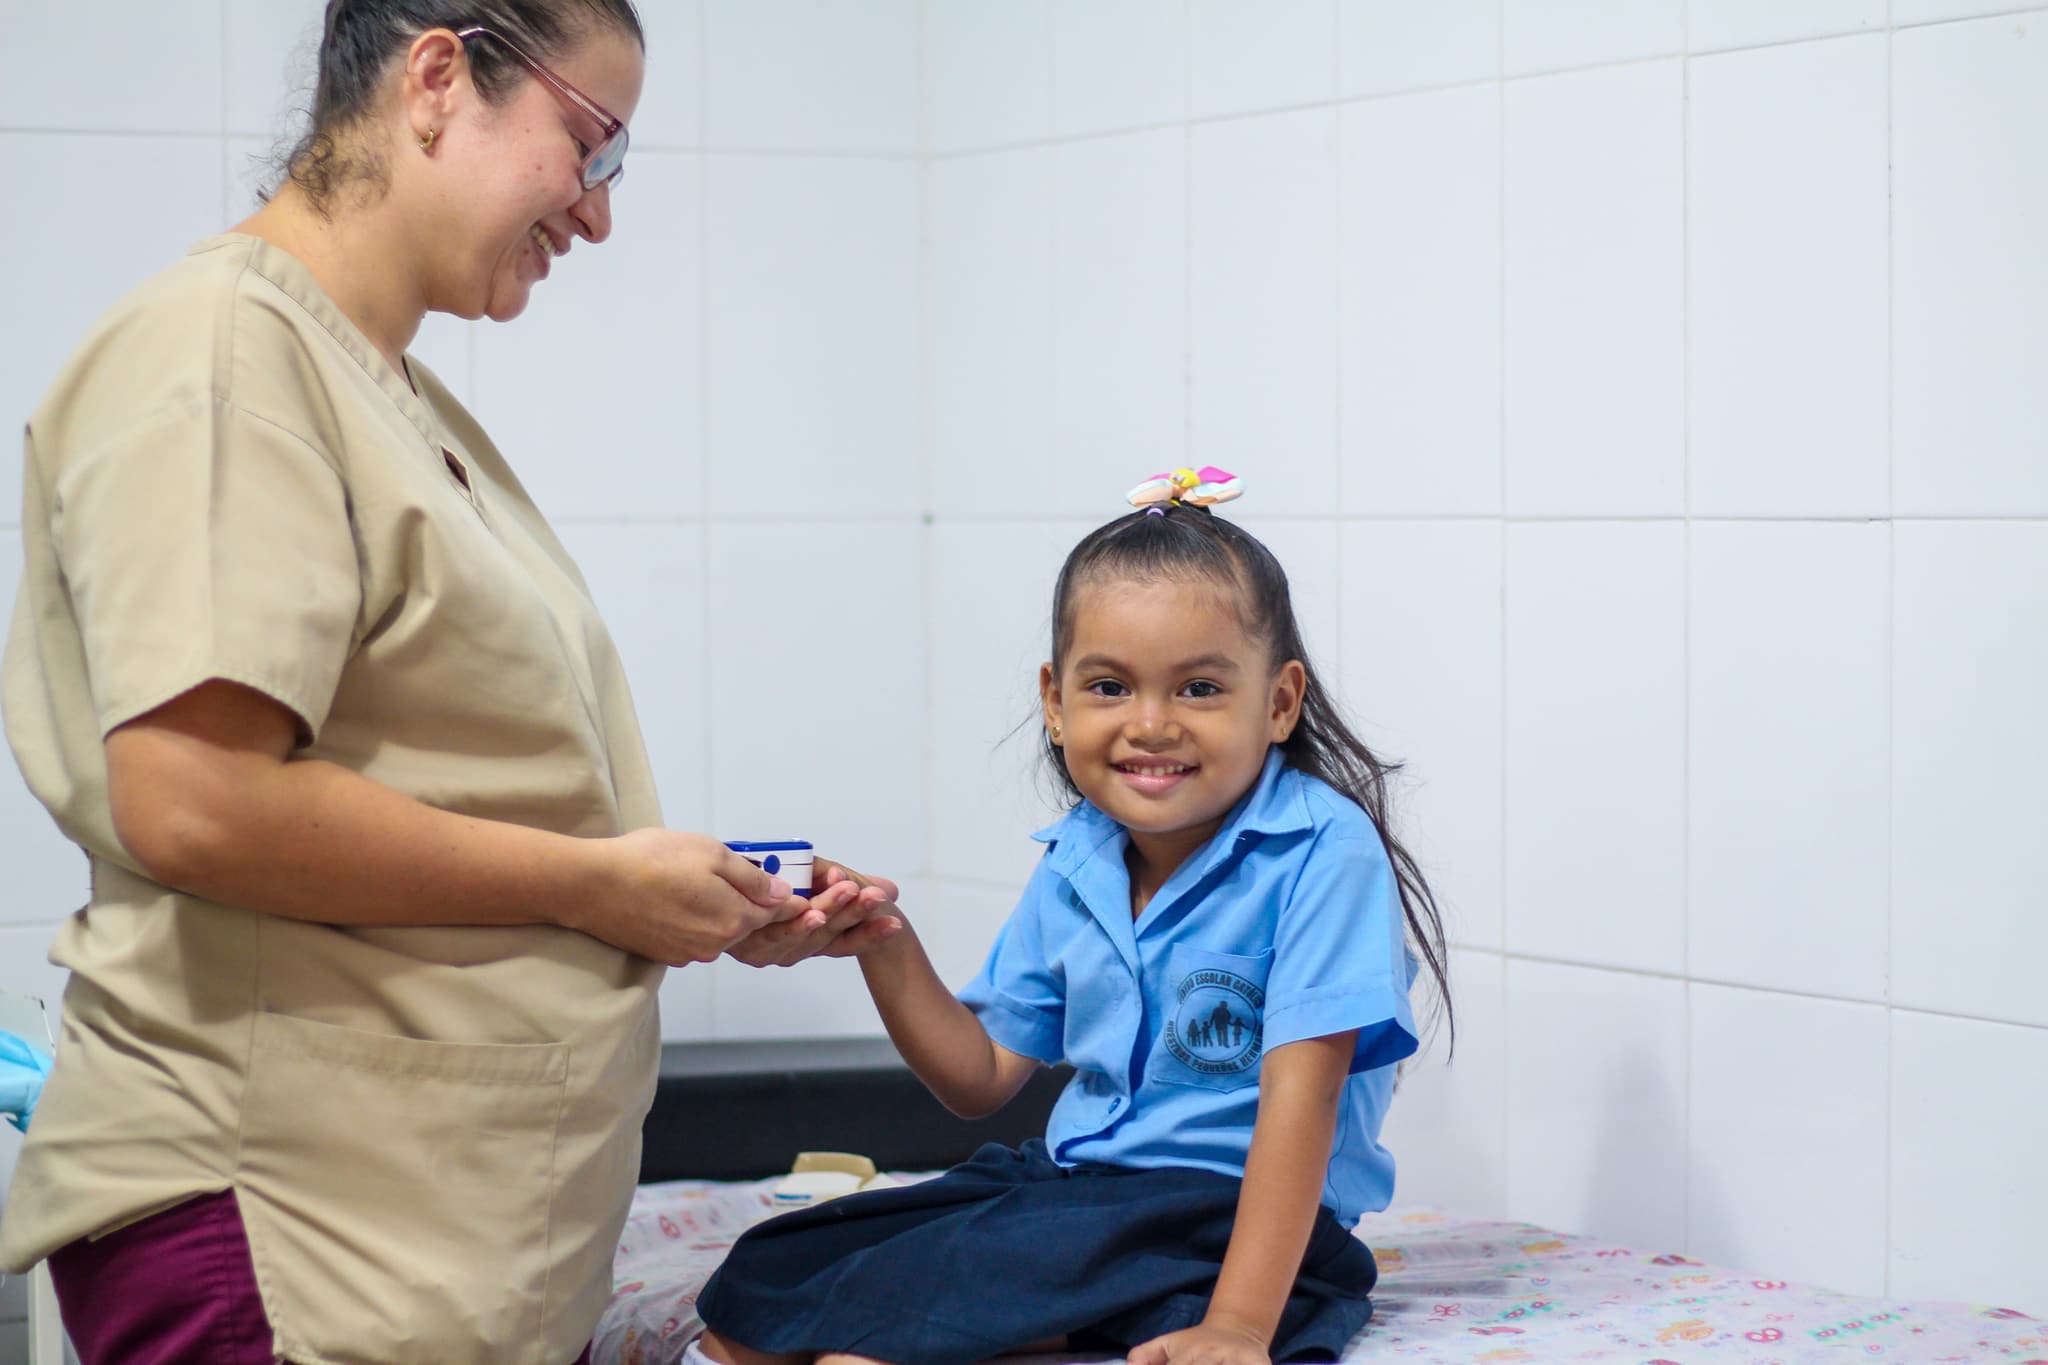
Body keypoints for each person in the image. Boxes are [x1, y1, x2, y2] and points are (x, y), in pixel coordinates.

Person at [0, 3, 896, 1362]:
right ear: (436, 76)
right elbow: (193, 799)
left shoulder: (384, 392)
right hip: (288, 1230)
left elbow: (447, 796)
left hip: (413, 1240)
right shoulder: (222, 353)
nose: (597, 217)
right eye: (591, 147)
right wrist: (597, 886)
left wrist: (667, 899)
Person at [695, 481, 1456, 1365]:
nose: (1150, 724)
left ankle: (1197, 1301)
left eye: (1200, 686)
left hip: (1228, 1216)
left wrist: (1238, 1326)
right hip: (1080, 1192)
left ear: (1280, 702)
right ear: (1056, 703)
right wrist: (885, 941)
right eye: (1109, 685)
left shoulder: (1323, 850)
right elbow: (979, 1077)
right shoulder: (1078, 857)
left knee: (867, 1347)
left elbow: (1305, 1097)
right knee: (758, 1292)